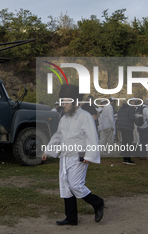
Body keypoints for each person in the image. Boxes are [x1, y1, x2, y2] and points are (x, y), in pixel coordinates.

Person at [42, 84, 104, 226]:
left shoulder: (85, 116)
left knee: (75, 185)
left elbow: (92, 137)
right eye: (63, 102)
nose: (64, 105)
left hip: (79, 154)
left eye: (66, 102)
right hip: (65, 155)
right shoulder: (64, 118)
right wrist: (48, 150)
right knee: (65, 185)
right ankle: (71, 218)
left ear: (76, 102)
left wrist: (89, 156)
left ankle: (98, 202)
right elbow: (58, 135)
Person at [117, 98, 136, 165]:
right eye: (133, 101)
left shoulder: (121, 108)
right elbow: (131, 117)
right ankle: (128, 159)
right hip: (128, 127)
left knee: (124, 142)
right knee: (129, 142)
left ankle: (124, 158)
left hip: (122, 127)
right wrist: (136, 117)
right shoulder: (131, 108)